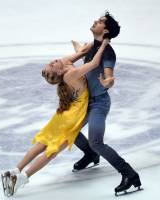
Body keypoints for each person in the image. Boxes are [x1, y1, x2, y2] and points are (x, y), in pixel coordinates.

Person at [1, 38, 111, 197]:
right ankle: (23, 177)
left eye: (51, 62)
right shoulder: (71, 74)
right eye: (52, 65)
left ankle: (16, 169)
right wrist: (104, 44)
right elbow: (93, 63)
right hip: (73, 116)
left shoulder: (64, 62)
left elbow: (82, 52)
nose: (53, 61)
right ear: (59, 72)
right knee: (51, 150)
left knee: (43, 142)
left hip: (62, 115)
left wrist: (94, 42)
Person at [71, 11, 142, 195]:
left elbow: (109, 76)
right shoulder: (92, 45)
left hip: (99, 103)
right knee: (69, 130)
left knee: (96, 141)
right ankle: (90, 154)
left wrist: (108, 82)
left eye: (100, 21)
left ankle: (130, 174)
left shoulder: (108, 52)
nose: (96, 21)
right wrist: (77, 48)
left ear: (106, 30)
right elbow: (83, 51)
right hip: (84, 101)